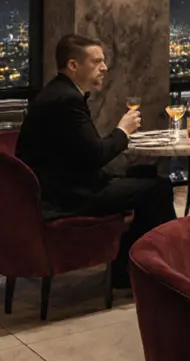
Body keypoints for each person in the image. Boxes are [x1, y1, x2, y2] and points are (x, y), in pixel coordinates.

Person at [15, 34, 175, 288]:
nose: (105, 67)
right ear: (73, 65)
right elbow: (96, 156)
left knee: (143, 175)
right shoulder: (67, 100)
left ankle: (128, 270)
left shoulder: (57, 93)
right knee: (159, 189)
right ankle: (160, 276)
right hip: (68, 197)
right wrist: (122, 130)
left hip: (57, 189)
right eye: (97, 61)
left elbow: (82, 153)